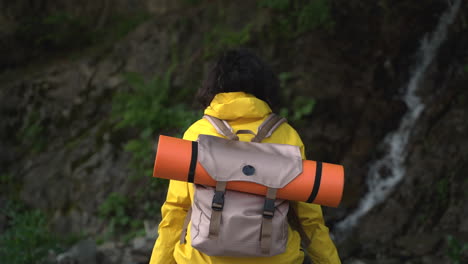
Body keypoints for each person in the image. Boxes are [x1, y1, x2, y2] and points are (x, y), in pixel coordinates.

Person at [149, 49, 341, 264]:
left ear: (214, 86)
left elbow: (176, 211)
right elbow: (309, 218)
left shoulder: (197, 133)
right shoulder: (286, 135)